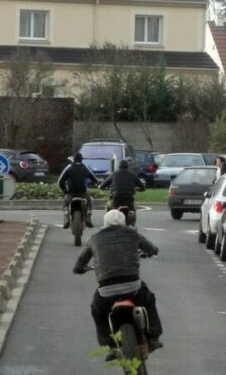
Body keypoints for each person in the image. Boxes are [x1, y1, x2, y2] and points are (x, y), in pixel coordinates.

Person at [73, 209, 163, 361]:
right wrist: (153, 251)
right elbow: (150, 248)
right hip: (133, 288)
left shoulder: (95, 238)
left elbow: (81, 261)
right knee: (149, 299)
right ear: (124, 222)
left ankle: (109, 346)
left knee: (97, 310)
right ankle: (153, 337)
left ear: (104, 223)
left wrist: (79, 269)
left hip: (107, 291)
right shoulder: (133, 234)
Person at [58, 152, 98, 228]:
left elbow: (60, 181)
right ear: (81, 159)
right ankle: (88, 216)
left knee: (65, 202)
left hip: (71, 193)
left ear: (74, 159)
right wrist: (96, 185)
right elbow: (94, 179)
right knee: (89, 201)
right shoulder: (85, 168)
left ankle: (66, 217)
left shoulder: (69, 168)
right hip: (83, 193)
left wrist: (65, 191)